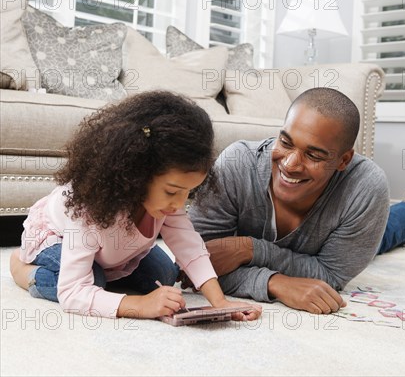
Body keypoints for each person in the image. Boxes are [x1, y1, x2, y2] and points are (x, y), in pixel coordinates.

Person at [9, 90, 261, 322]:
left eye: (189, 193)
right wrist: (140, 305)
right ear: (137, 174)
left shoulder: (167, 202)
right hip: (57, 236)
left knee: (164, 274)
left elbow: (188, 243)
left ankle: (106, 273)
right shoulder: (90, 209)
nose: (179, 203)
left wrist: (220, 302)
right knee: (92, 282)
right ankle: (23, 270)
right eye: (172, 191)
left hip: (111, 249)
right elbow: (72, 293)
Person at [188, 87, 405, 315]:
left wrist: (251, 249)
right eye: (285, 142)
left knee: (388, 231)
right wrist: (275, 283)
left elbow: (331, 273)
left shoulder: (365, 188)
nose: (290, 164)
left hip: (332, 241)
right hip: (308, 246)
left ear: (343, 160)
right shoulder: (238, 165)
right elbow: (194, 265)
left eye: (313, 155)